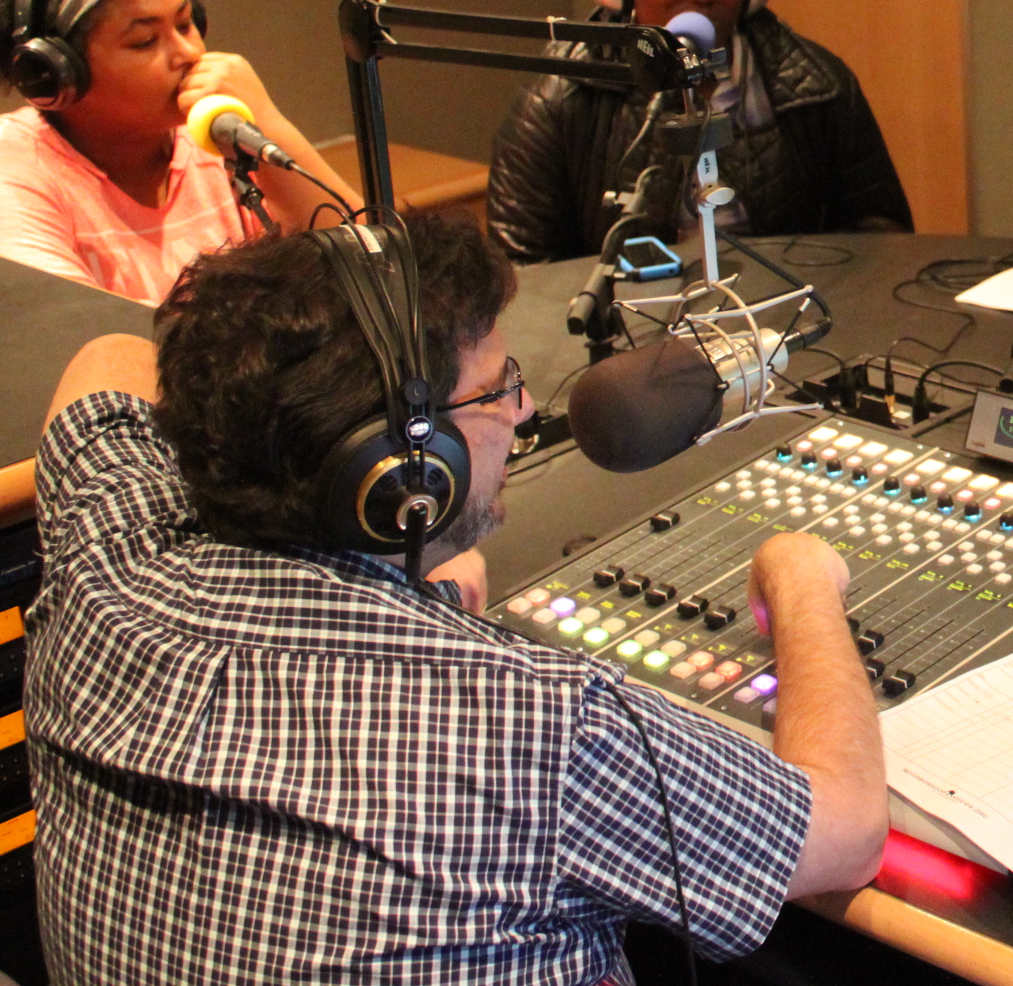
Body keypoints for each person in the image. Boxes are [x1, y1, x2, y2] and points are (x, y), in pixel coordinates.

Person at [24, 213, 885, 980]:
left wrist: (406, 573)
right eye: (498, 387)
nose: (521, 410)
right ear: (401, 470)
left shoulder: (109, 557)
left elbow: (107, 360)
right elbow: (844, 830)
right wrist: (804, 586)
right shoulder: (530, 726)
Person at [491, 0, 913, 263]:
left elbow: (883, 233)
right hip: (631, 325)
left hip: (781, 316)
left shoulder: (816, 85)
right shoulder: (561, 97)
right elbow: (525, 267)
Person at [0, 0, 360, 303]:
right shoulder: (16, 169)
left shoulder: (216, 137)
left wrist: (270, 125)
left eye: (187, 23)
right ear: (54, 72)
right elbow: (83, 345)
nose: (188, 53)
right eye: (144, 40)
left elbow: (379, 273)